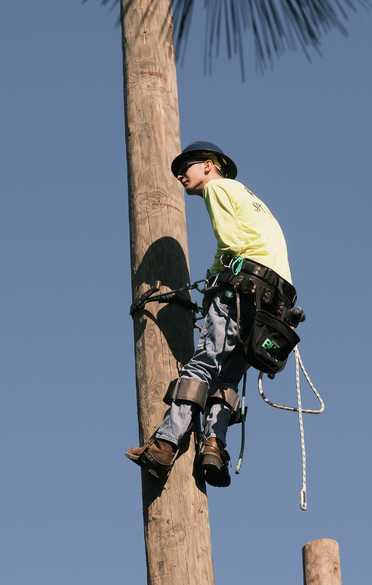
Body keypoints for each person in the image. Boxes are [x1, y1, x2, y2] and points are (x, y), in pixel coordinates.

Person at [126, 141, 296, 488]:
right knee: (227, 380)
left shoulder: (218, 188)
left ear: (207, 165)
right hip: (272, 306)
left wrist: (213, 284)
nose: (178, 175)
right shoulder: (251, 199)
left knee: (202, 364)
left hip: (243, 288)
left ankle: (164, 445)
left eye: (184, 167)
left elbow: (231, 243)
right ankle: (213, 448)